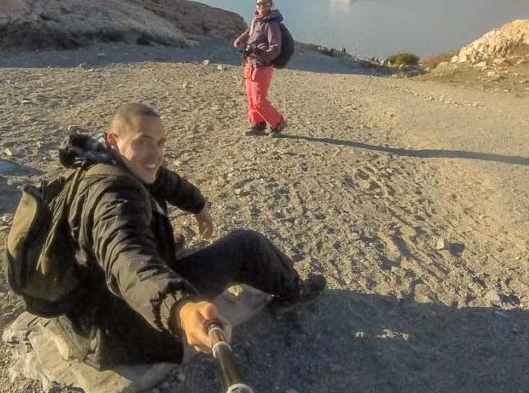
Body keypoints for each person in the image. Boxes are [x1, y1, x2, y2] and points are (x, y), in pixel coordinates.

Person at [49, 103, 324, 370]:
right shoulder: (114, 197)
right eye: (143, 142)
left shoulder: (101, 161)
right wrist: (179, 308)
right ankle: (293, 291)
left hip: (92, 309)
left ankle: (277, 268)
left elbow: (163, 179)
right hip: (125, 326)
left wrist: (199, 206)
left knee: (173, 232)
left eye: (160, 143)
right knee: (247, 245)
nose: (155, 154)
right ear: (114, 139)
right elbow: (127, 258)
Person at [233, 0, 287, 137]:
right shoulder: (257, 20)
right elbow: (250, 33)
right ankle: (258, 124)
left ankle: (278, 122)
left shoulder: (271, 24)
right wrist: (241, 40)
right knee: (251, 98)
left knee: (259, 100)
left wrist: (260, 55)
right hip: (250, 65)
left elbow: (275, 47)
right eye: (258, 4)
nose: (261, 6)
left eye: (264, 4)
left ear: (271, 5)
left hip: (262, 66)